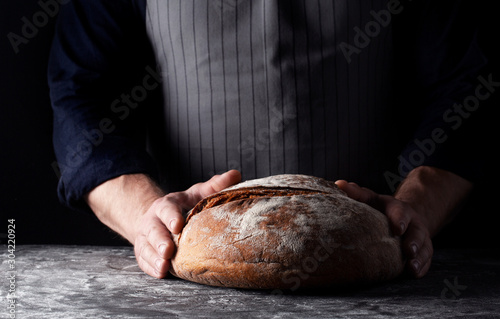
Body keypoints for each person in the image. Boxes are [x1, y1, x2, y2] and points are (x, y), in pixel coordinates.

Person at [49, 0, 487, 280]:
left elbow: (466, 88)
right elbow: (83, 95)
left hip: (375, 272)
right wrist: (148, 215)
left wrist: (415, 214)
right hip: (189, 283)